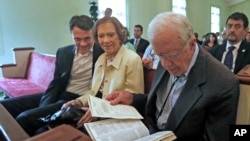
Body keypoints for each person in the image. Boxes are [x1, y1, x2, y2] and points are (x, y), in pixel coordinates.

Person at [105, 12, 239, 141]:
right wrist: (132, 98)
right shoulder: (167, 50)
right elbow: (163, 103)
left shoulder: (223, 83)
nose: (165, 64)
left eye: (172, 56)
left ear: (192, 44)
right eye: (159, 55)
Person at [0, 15, 104, 136]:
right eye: (77, 39)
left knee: (24, 118)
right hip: (59, 92)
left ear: (93, 34)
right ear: (71, 34)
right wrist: (44, 106)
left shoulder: (102, 53)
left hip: (75, 100)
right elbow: (56, 82)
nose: (83, 43)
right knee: (4, 106)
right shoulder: (63, 52)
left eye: (87, 38)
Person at [61, 16, 145, 126]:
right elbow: (92, 93)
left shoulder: (132, 59)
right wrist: (77, 101)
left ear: (120, 35)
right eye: (101, 36)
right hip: (95, 114)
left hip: (118, 120)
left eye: (110, 35)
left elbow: (133, 101)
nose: (105, 40)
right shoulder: (101, 59)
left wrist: (100, 111)